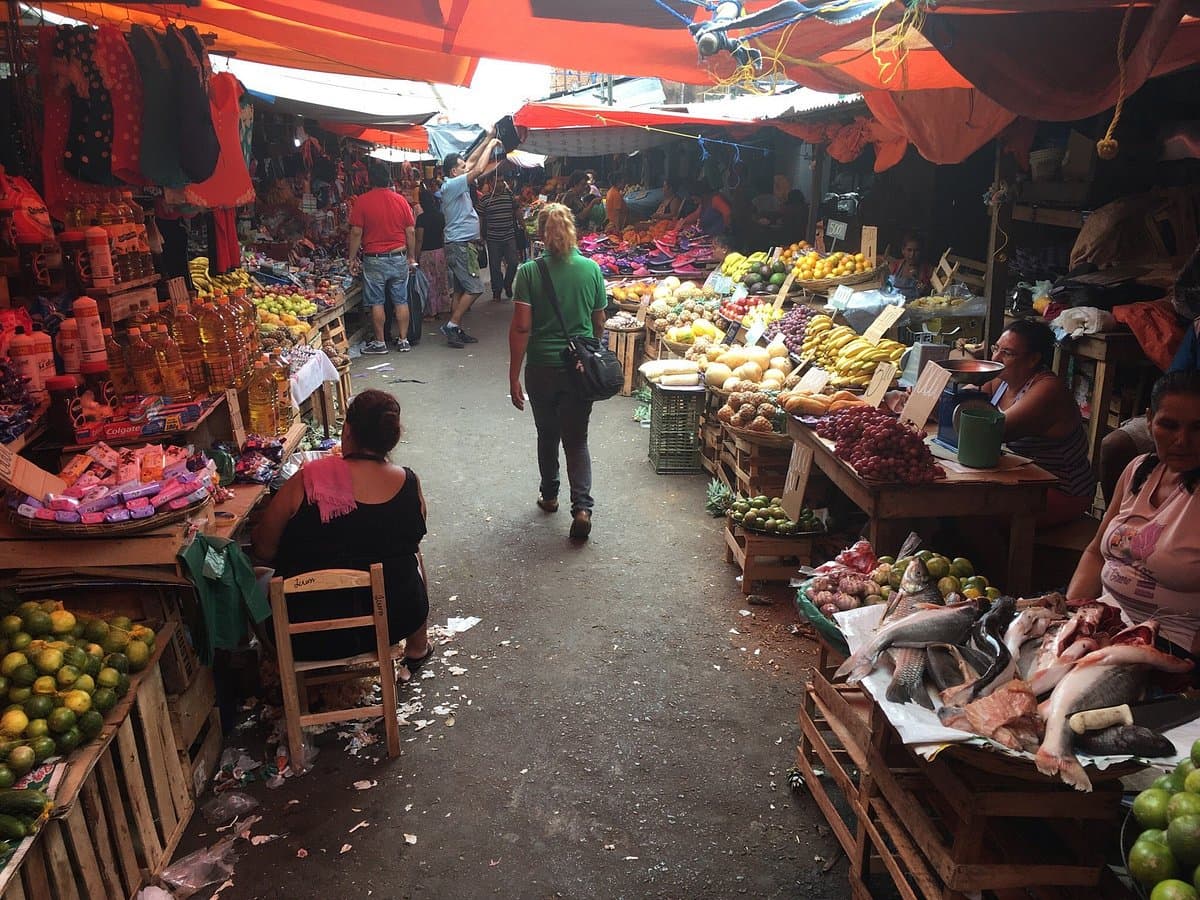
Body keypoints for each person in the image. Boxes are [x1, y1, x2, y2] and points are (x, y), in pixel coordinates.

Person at [252, 390, 432, 668]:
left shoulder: (305, 482)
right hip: (393, 623)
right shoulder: (409, 482)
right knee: (413, 557)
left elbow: (263, 549)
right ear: (391, 437)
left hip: (306, 635)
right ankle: (418, 648)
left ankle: (275, 665)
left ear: (347, 430)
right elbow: (413, 536)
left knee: (253, 576)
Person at [1067, 371, 1200, 654]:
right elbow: (1095, 553)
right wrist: (1073, 616)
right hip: (1103, 626)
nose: (1182, 440)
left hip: (1169, 646)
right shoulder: (1139, 470)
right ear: (1150, 420)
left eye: (1197, 428)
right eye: (1169, 425)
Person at [507, 203, 607, 542]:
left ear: (540, 233)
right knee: (576, 440)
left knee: (547, 434)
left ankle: (549, 496)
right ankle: (582, 509)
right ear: (573, 230)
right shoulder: (591, 269)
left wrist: (513, 375)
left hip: (541, 368)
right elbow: (599, 321)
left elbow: (522, 327)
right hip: (578, 369)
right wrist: (590, 351)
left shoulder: (528, 272)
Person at [979, 319, 1097, 527]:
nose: (995, 358)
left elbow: (993, 431)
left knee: (970, 510)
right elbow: (968, 402)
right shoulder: (1001, 380)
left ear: (1033, 359)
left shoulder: (1048, 389)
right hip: (1020, 477)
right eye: (996, 349)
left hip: (1059, 489)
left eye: (1007, 353)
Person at [440, 134, 504, 349]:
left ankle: (456, 329)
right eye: (461, 167)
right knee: (475, 288)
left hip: (459, 244)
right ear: (453, 172)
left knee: (460, 291)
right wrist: (492, 145)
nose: (465, 167)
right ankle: (452, 325)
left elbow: (471, 162)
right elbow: (477, 169)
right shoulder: (453, 185)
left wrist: (487, 138)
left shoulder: (453, 183)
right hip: (460, 246)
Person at [347, 162, 416, 354]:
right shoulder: (400, 200)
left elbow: (356, 232)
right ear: (389, 179)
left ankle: (380, 343)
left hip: (374, 258)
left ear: (370, 179)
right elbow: (410, 231)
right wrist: (411, 256)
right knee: (401, 300)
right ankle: (403, 340)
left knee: (376, 301)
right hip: (398, 256)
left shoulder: (362, 201)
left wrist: (351, 258)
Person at [479, 176, 521, 302]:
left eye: (502, 181)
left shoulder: (509, 196)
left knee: (513, 262)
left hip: (509, 236)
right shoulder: (485, 199)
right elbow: (480, 218)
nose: (501, 183)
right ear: (491, 183)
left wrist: (523, 227)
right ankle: (496, 291)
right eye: (498, 181)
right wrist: (479, 234)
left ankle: (507, 283)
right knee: (495, 266)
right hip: (493, 238)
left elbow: (517, 211)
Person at [413, 186, 449, 319]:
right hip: (440, 251)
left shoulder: (421, 219)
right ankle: (443, 308)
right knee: (441, 280)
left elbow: (419, 239)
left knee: (429, 283)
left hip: (426, 254)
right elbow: (443, 235)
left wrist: (415, 256)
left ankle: (431, 311)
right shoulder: (440, 216)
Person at [889, 233, 933, 301]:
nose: (912, 254)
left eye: (916, 250)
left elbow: (931, 294)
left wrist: (924, 288)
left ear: (921, 251)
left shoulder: (928, 270)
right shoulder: (894, 267)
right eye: (909, 250)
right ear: (903, 250)